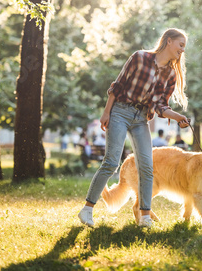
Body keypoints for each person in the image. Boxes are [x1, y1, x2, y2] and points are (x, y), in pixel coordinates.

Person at [78, 28, 190, 228]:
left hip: (141, 119)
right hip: (120, 112)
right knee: (112, 162)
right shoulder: (139, 58)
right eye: (180, 45)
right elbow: (118, 85)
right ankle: (87, 210)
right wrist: (106, 113)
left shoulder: (170, 74)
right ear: (169, 41)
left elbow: (160, 105)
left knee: (147, 167)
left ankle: (144, 216)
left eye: (184, 47)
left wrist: (178, 116)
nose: (182, 50)